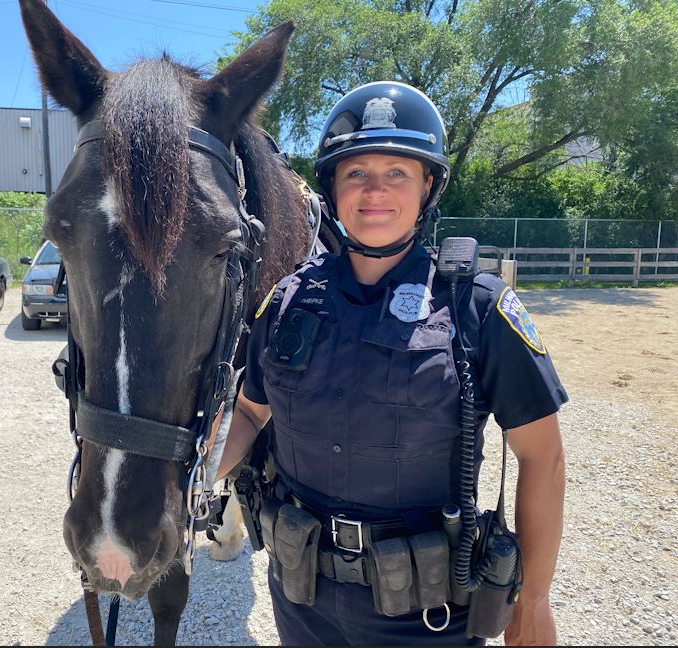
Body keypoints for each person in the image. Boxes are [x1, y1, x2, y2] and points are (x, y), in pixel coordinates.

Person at [215, 81, 567, 646]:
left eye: (398, 172)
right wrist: (192, 482)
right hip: (303, 602)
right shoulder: (285, 302)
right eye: (356, 172)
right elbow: (252, 413)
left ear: (428, 186)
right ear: (331, 185)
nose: (375, 190)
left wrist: (534, 600)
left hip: (426, 617)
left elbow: (542, 456)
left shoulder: (478, 307)